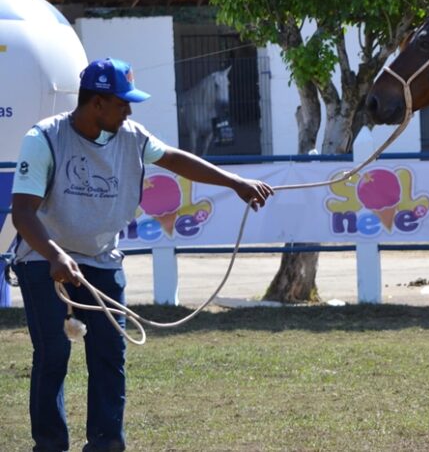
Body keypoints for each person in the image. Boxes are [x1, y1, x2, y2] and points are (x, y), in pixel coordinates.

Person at [10, 57, 274, 452]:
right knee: (53, 354)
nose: (128, 111)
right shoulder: (44, 138)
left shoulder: (132, 136)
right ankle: (49, 446)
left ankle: (106, 445)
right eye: (121, 103)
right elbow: (23, 212)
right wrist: (54, 255)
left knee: (109, 355)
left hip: (100, 259)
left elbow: (174, 158)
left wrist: (234, 182)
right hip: (43, 259)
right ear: (96, 103)